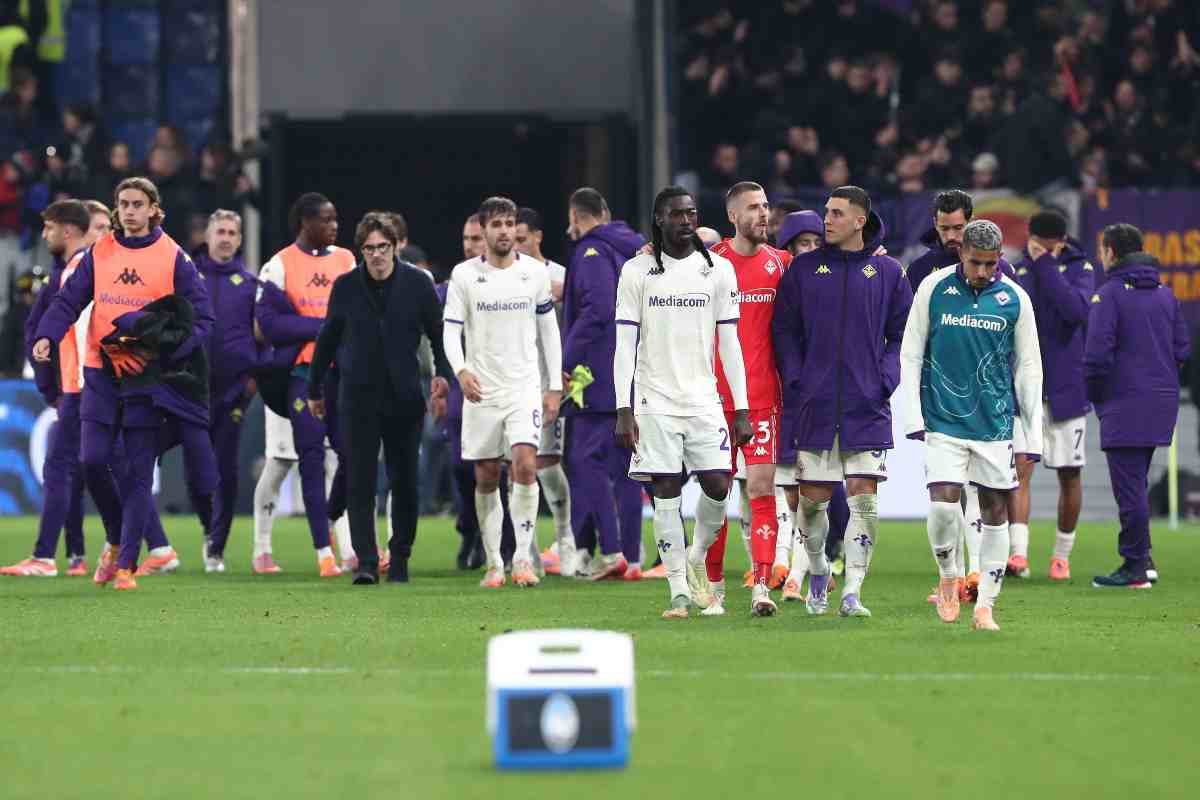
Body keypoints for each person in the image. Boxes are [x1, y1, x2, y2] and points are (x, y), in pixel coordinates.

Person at [32, 177, 214, 591]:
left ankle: (127, 564)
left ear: (153, 209)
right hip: (100, 369)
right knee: (92, 460)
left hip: (145, 377)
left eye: (137, 204)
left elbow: (203, 320)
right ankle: (115, 538)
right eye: (123, 203)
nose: (129, 211)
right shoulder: (100, 252)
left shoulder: (175, 257)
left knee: (135, 471)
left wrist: (166, 351)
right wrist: (47, 334)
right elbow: (68, 301)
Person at [772, 186, 912, 618]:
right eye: (825, 212)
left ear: (859, 221)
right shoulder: (803, 270)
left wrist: (885, 378)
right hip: (814, 405)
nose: (825, 220)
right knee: (812, 502)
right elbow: (784, 331)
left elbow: (902, 334)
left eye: (835, 214)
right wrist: (797, 378)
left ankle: (852, 591)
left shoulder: (888, 273)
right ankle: (817, 574)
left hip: (866, 405)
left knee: (863, 500)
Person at [614, 185, 751, 619]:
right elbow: (623, 344)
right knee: (665, 494)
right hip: (654, 401)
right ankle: (677, 588)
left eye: (692, 213)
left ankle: (695, 556)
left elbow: (730, 345)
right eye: (677, 214)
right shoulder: (637, 272)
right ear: (660, 219)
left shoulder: (718, 271)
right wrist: (624, 407)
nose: (687, 221)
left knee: (719, 485)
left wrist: (741, 408)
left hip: (704, 400)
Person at [900, 219, 1042, 631]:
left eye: (991, 264)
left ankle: (986, 607)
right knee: (944, 505)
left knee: (995, 511)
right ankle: (950, 575)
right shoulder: (934, 289)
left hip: (995, 424)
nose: (983, 272)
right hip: (943, 420)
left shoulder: (1015, 298)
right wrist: (913, 414)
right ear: (961, 253)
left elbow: (1030, 366)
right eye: (976, 262)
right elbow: (910, 353)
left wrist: (1031, 430)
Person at [308, 212, 452, 584]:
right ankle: (368, 562)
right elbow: (327, 339)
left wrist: (443, 375)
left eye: (382, 247)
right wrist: (314, 388)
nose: (376, 255)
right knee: (360, 480)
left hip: (405, 397)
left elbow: (438, 335)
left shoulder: (418, 285)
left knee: (404, 482)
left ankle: (400, 556)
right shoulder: (345, 287)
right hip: (357, 398)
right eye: (369, 248)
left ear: (395, 247)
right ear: (361, 251)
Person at [443, 196, 563, 588]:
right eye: (496, 224)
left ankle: (523, 558)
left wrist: (554, 387)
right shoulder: (464, 276)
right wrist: (460, 370)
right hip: (482, 390)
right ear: (484, 230)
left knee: (526, 463)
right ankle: (495, 562)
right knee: (486, 473)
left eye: (510, 223)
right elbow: (450, 330)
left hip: (523, 387)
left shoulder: (534, 274)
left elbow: (549, 331)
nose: (504, 231)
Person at [0, 200, 124, 578]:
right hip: (81, 384)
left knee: (62, 467)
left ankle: (47, 556)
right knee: (96, 466)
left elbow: (88, 325)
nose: (44, 234)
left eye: (49, 227)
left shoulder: (78, 269)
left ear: (67, 230)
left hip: (83, 384)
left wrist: (82, 381)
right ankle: (119, 544)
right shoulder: (75, 268)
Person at [700, 182, 792, 616]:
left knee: (760, 487)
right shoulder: (711, 264)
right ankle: (714, 588)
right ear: (733, 216)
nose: (763, 214)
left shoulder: (783, 264)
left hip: (762, 398)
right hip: (714, 399)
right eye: (754, 208)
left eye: (766, 206)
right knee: (717, 491)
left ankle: (761, 586)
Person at [256, 192, 356, 577]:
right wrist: (324, 329)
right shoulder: (279, 265)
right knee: (309, 461)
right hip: (301, 377)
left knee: (351, 457)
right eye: (327, 220)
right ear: (305, 223)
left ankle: (340, 524)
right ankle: (323, 553)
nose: (334, 226)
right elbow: (268, 324)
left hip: (344, 376)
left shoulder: (347, 260)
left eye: (335, 219)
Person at [1085, 224, 1189, 589]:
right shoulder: (1166, 294)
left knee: (1128, 489)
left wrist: (1098, 395)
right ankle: (1143, 557)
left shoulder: (1109, 296)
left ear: (1111, 252)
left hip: (1123, 402)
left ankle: (1134, 567)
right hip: (1161, 402)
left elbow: (1096, 356)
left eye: (1102, 249)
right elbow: (1181, 352)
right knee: (1136, 484)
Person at [557, 187, 647, 580]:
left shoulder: (591, 251)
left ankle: (611, 551)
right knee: (625, 463)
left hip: (598, 369)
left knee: (583, 460)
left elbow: (596, 308)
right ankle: (632, 555)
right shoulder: (634, 246)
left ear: (577, 217)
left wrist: (565, 360)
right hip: (634, 366)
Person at [1010, 210, 1094, 581]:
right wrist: (1038, 265)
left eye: (1044, 246)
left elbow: (1074, 310)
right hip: (1025, 388)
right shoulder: (1015, 270)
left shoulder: (1082, 268)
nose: (1036, 249)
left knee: (1069, 473)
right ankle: (1018, 555)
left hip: (1067, 387)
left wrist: (1046, 265)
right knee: (1019, 471)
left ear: (1061, 243)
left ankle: (1061, 556)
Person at [771, 209, 850, 602]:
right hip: (779, 398)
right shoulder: (773, 278)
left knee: (816, 492)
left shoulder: (833, 281)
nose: (812, 250)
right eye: (804, 243)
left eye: (817, 243)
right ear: (788, 247)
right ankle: (795, 566)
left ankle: (797, 575)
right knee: (785, 494)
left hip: (819, 400)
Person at [192, 210, 263, 572]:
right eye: (219, 230)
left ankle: (217, 546)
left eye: (232, 232)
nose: (225, 237)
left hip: (234, 390)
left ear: (238, 240)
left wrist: (253, 378)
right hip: (191, 391)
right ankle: (208, 527)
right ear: (207, 236)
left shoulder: (250, 284)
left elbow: (264, 336)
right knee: (196, 469)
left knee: (226, 469)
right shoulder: (189, 278)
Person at [514, 206, 573, 571]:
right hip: (515, 381)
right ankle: (528, 550)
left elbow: (581, 322)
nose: (516, 245)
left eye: (522, 238)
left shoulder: (562, 277)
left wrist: (564, 370)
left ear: (538, 237)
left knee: (549, 463)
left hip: (553, 380)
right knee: (517, 465)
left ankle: (566, 538)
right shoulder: (510, 276)